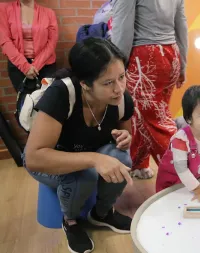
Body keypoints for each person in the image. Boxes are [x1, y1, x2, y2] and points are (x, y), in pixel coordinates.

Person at [24, 38, 135, 253]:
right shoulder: (61, 94)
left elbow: (127, 133)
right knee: (83, 174)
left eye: (122, 77)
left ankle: (102, 214)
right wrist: (94, 159)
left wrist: (125, 137)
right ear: (84, 84)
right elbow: (34, 158)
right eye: (107, 82)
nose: (119, 88)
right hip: (49, 160)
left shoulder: (121, 99)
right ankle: (70, 221)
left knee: (122, 159)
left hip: (90, 155)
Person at [111, 0, 188, 179]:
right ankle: (138, 164)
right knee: (141, 115)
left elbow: (123, 29)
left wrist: (116, 65)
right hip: (170, 54)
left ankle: (185, 172)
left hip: (145, 56)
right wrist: (182, 63)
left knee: (155, 120)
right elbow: (181, 26)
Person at [0, 0, 58, 92]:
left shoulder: (49, 13)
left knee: (47, 102)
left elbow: (52, 42)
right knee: (26, 103)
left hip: (46, 66)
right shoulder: (4, 10)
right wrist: (25, 67)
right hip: (18, 66)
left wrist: (35, 65)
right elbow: (5, 41)